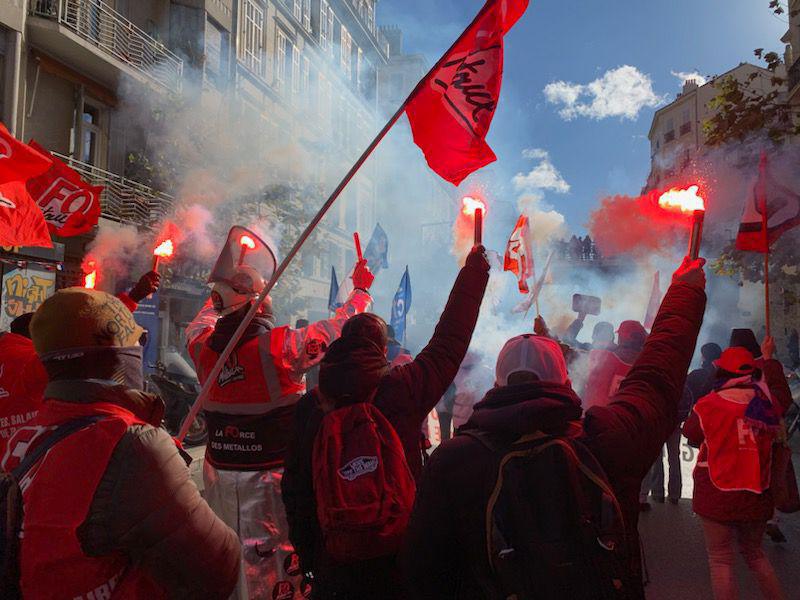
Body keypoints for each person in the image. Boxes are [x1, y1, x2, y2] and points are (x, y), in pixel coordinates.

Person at [401, 256, 707, 599]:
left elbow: (424, 571)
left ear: (498, 383)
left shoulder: (455, 459)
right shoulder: (604, 440)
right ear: (564, 380)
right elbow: (655, 381)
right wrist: (685, 293)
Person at [1, 287, 239, 598]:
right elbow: (220, 567)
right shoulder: (131, 444)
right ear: (116, 350)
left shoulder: (30, 433)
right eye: (139, 341)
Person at [282, 246, 490, 599]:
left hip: (336, 558)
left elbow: (296, 491)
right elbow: (449, 342)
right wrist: (474, 274)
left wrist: (310, 556)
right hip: (402, 552)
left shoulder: (311, 406)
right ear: (381, 350)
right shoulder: (400, 389)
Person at [186, 257, 374, 600]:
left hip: (220, 480)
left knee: (225, 556)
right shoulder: (282, 346)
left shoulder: (200, 347)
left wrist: (221, 289)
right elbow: (339, 327)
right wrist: (361, 290)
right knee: (279, 565)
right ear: (261, 306)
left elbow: (203, 320)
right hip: (271, 481)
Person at [0, 271, 161, 461]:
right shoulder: (30, 364)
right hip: (36, 466)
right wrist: (133, 297)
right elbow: (99, 332)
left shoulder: (10, 356)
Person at [683, 346, 784, 600]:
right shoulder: (768, 403)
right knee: (755, 555)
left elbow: (691, 434)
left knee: (720, 560)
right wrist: (769, 358)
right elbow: (781, 394)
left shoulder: (708, 405)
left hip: (717, 492)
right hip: (757, 493)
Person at [581, 319, 647, 410]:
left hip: (597, 417)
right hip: (626, 420)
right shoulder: (646, 368)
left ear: (621, 338)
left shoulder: (604, 359)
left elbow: (588, 390)